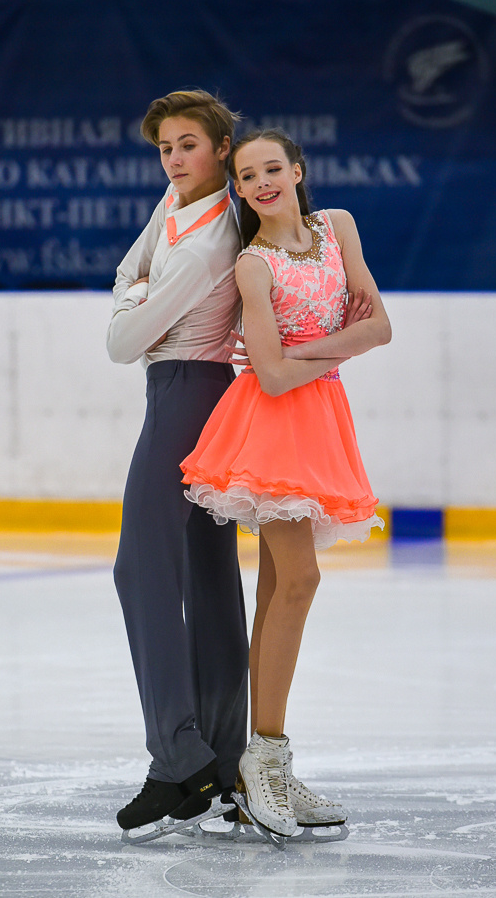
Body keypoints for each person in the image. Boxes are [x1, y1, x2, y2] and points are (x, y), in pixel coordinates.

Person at [180, 129, 392, 837]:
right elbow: (268, 376)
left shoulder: (339, 229)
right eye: (248, 175)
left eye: (273, 168)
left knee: (280, 587)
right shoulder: (252, 266)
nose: (263, 182)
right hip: (270, 425)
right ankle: (261, 761)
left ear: (297, 172)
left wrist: (318, 349)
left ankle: (261, 759)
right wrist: (341, 343)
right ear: (238, 190)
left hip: (321, 417)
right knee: (298, 582)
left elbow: (380, 327)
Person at [107, 90, 249, 834]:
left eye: (188, 145)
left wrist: (133, 298)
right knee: (204, 572)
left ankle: (179, 760)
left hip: (185, 392)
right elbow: (128, 273)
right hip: (198, 391)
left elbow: (122, 341)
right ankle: (221, 760)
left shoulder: (207, 240)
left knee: (140, 569)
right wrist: (134, 291)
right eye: (165, 147)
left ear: (222, 148)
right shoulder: (172, 205)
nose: (174, 159)